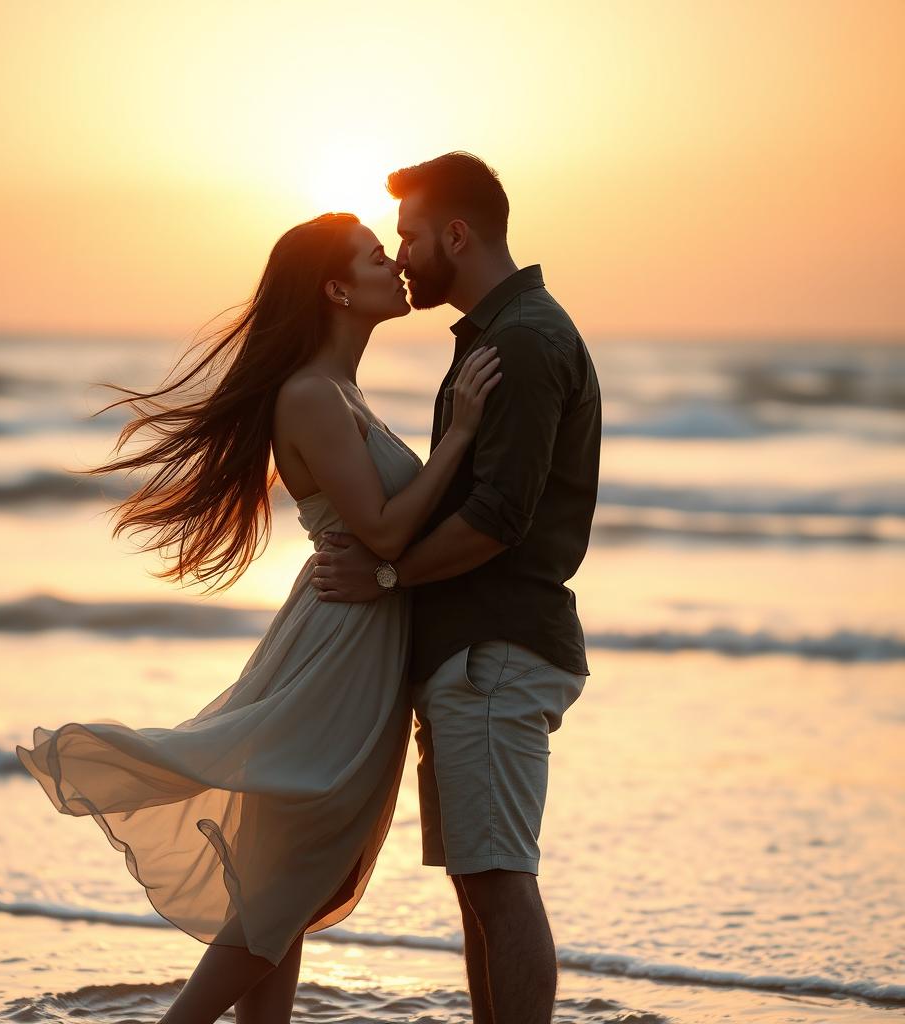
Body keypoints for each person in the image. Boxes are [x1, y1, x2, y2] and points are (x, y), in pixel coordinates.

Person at [14, 211, 502, 1024]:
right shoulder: (311, 394)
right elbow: (382, 530)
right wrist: (458, 439)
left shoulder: (341, 391)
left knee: (290, 886)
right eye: (376, 257)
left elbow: (380, 532)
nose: (395, 266)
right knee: (298, 876)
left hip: (358, 637)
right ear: (337, 289)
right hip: (340, 647)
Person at [310, 153, 602, 1024]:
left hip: (495, 653)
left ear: (457, 234)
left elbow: (500, 516)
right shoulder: (497, 335)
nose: (401, 256)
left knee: (500, 883)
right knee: (481, 887)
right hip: (476, 653)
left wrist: (388, 572)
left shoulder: (520, 340)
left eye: (408, 236)